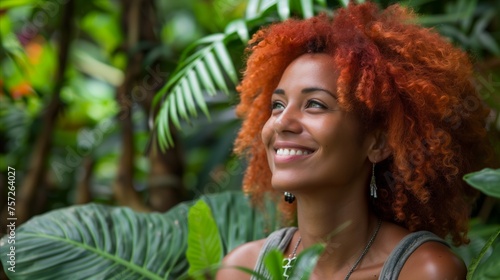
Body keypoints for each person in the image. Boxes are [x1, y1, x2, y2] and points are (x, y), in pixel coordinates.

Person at [216, 2, 492, 279]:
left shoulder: (422, 270)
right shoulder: (240, 270)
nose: (281, 122)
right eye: (277, 105)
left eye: (314, 104)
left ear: (378, 143)